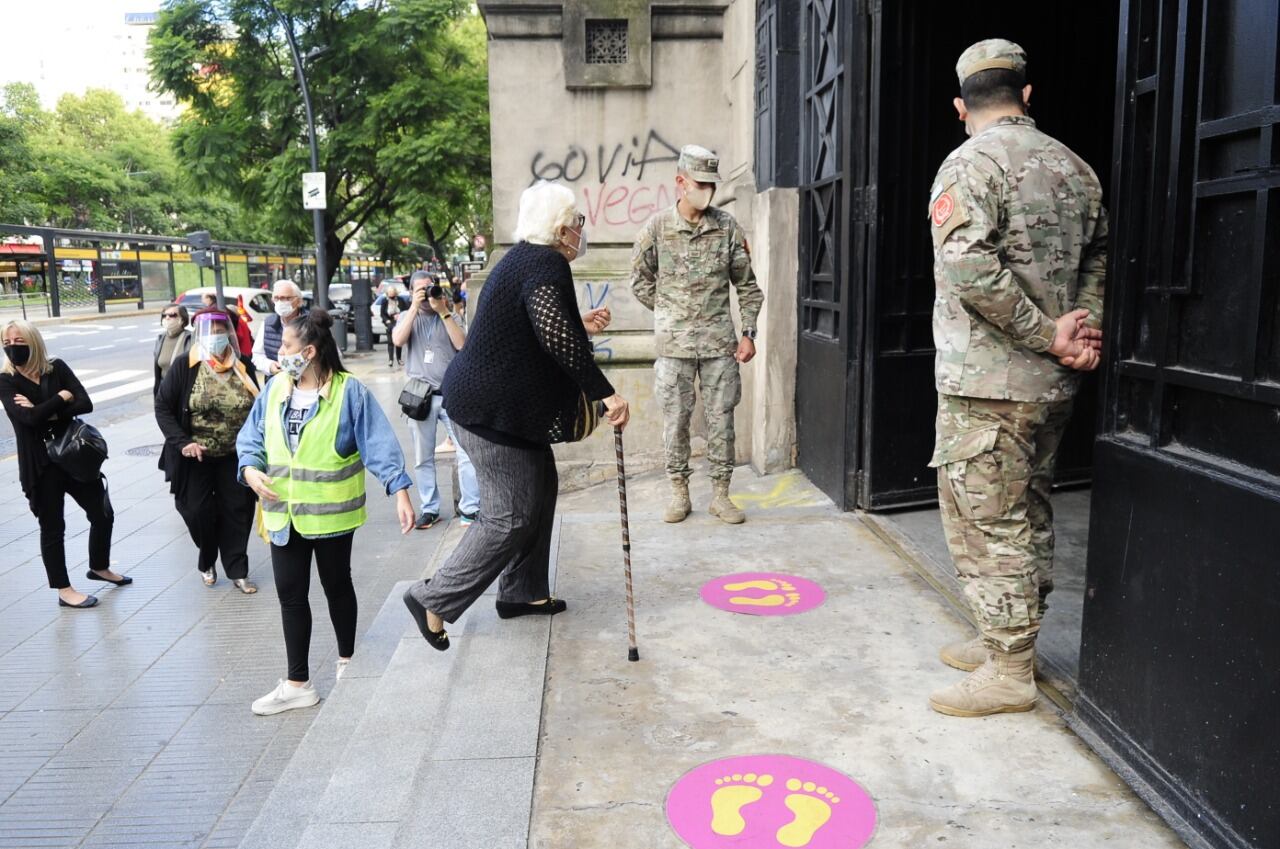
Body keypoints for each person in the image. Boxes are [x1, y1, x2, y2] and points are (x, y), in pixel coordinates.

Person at [925, 39, 1107, 717]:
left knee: (986, 520)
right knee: (1027, 506)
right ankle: (1000, 632)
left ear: (960, 106)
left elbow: (967, 267)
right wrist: (1077, 334)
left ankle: (1009, 666)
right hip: (1053, 384)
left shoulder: (967, 164)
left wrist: (1041, 334)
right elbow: (1100, 259)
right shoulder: (1076, 168)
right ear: (1028, 96)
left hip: (989, 384)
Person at [402, 181, 626, 651]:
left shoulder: (528, 261)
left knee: (541, 489)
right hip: (489, 411)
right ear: (561, 227)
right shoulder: (543, 263)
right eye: (577, 222)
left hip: (504, 407)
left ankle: (522, 592)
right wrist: (605, 395)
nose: (581, 231)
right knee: (509, 515)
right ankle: (434, 599)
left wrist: (579, 324)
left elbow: (542, 324)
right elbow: (557, 339)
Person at [237, 309, 416, 715]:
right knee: (291, 595)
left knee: (337, 586)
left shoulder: (348, 392)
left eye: (287, 346)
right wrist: (249, 469)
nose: (281, 353)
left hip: (331, 515)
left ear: (310, 350)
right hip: (283, 513)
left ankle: (349, 662)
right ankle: (297, 682)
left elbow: (378, 444)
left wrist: (400, 489)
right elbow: (251, 438)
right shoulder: (275, 389)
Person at [631, 145, 764, 526]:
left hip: (720, 345)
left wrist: (749, 333)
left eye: (711, 183)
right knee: (676, 421)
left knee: (722, 421)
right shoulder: (657, 228)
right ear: (681, 182)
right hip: (673, 348)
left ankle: (721, 495)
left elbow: (748, 287)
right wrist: (668, 311)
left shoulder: (727, 228)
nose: (707, 190)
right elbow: (639, 279)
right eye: (701, 183)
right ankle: (679, 492)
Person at [0, 320, 129, 608]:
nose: (11, 348)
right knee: (53, 527)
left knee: (102, 513)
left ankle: (99, 566)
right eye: (6, 343)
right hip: (40, 465)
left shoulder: (56, 367)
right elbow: (28, 420)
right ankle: (63, 589)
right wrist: (61, 397)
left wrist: (45, 410)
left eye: (18, 341)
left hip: (74, 454)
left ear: (33, 341)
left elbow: (85, 403)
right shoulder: (6, 380)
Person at [155, 308, 261, 593]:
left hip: (234, 455)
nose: (215, 337)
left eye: (220, 331)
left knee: (238, 511)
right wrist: (183, 443)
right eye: (209, 332)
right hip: (195, 456)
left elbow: (259, 407)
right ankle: (207, 559)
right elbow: (163, 407)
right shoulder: (184, 366)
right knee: (197, 511)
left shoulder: (243, 366)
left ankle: (238, 570)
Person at [392, 271, 480, 528]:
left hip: (452, 394)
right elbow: (398, 339)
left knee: (466, 453)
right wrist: (412, 308)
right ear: (410, 291)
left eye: (429, 288)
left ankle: (470, 508)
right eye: (420, 289)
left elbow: (462, 344)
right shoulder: (408, 317)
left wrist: (442, 310)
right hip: (420, 398)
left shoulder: (448, 315)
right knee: (422, 457)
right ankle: (429, 508)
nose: (426, 293)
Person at [253, 279, 307, 377]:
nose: (280, 302)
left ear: (299, 301)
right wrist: (269, 366)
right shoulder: (267, 323)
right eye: (276, 298)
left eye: (286, 298)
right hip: (277, 383)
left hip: (306, 383)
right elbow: (257, 355)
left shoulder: (311, 323)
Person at [153, 304, 193, 395]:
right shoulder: (160, 339)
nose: (167, 318)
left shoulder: (191, 338)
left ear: (182, 319)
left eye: (172, 315)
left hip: (184, 393)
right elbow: (158, 374)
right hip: (165, 393)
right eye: (164, 315)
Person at [380, 284, 409, 368]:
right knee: (390, 341)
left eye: (393, 294)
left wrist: (400, 316)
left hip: (399, 322)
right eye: (390, 294)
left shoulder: (401, 300)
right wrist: (387, 320)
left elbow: (405, 310)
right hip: (389, 322)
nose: (391, 296)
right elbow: (382, 313)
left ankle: (399, 358)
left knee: (398, 341)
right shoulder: (384, 301)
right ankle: (390, 359)